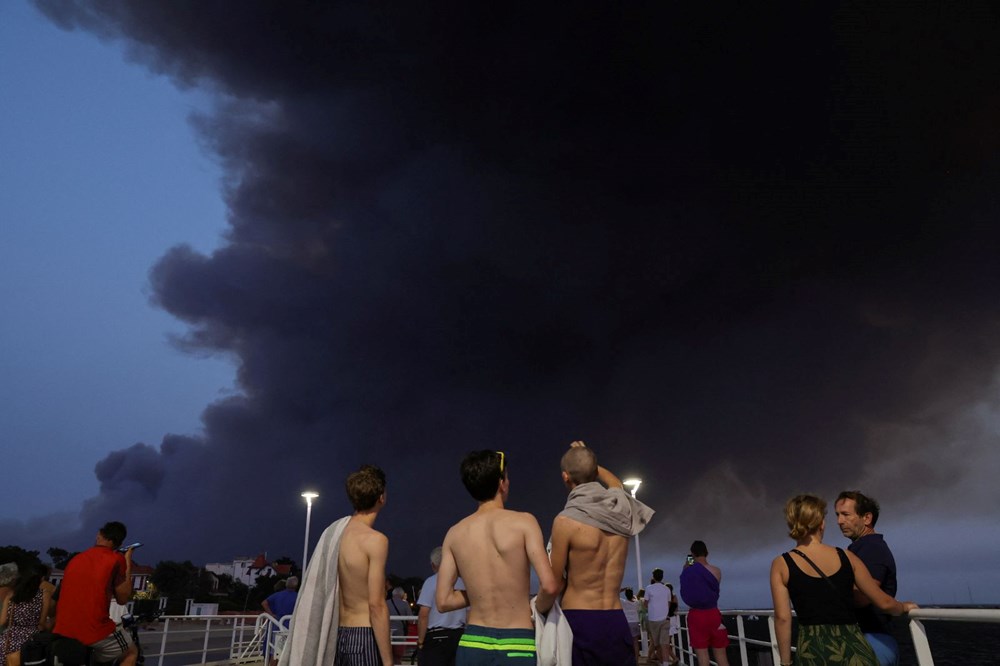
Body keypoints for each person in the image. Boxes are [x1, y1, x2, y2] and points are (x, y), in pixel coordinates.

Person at [536, 441, 654, 666]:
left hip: (579, 620)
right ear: (594, 471)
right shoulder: (621, 510)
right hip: (615, 619)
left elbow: (554, 583)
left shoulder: (565, 521)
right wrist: (588, 461)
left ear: (565, 477)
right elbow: (616, 484)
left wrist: (537, 610)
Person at [436, 450, 559, 665]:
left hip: (472, 643)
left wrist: (478, 592)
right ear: (502, 483)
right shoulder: (524, 523)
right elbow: (549, 586)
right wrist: (534, 607)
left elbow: (443, 601)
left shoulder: (455, 533)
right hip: (517, 641)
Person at [770, 494, 917, 666]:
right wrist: (903, 607)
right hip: (854, 650)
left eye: (844, 515)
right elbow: (883, 602)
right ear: (821, 523)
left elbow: (782, 618)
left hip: (813, 651)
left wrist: (785, 662)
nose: (839, 521)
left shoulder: (781, 564)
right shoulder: (846, 556)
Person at [279, 464, 393, 666]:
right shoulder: (376, 541)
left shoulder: (334, 533)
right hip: (364, 635)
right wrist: (388, 661)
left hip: (336, 636)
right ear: (381, 497)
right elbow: (376, 605)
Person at [52, 521, 138, 666]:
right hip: (93, 631)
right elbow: (123, 598)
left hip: (63, 629)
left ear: (100, 535)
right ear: (118, 542)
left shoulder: (76, 559)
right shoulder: (115, 559)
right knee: (131, 652)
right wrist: (127, 560)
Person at [836, 491, 900, 666]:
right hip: (865, 638)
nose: (839, 521)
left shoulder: (872, 548)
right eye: (838, 515)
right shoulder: (860, 549)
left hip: (871, 639)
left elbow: (864, 597)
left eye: (846, 514)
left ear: (867, 518)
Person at [679, 540, 729, 666]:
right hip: (714, 615)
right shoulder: (716, 571)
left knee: (702, 657)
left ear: (693, 554)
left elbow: (686, 573)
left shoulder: (688, 570)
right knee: (721, 656)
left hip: (696, 616)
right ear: (706, 553)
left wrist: (689, 562)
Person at [416, 547, 466, 666]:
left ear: (433, 565)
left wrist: (421, 640)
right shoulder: (462, 582)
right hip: (459, 635)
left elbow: (423, 614)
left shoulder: (431, 582)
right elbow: (469, 614)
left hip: (436, 637)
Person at [1, 562, 52, 666]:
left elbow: (2, 621)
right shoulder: (44, 595)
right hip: (29, 641)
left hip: (7, 639)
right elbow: (41, 624)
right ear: (42, 578)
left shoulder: (11, 594)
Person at [262, 577, 298, 666]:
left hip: (276, 625)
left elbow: (264, 603)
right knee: (283, 652)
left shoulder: (277, 595)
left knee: (274, 652)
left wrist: (271, 614)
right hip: (289, 627)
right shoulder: (298, 596)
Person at [644, 569, 672, 666]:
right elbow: (668, 604)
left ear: (653, 577)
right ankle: (665, 663)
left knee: (657, 644)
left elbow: (645, 604)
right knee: (664, 643)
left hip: (653, 619)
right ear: (662, 577)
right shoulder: (667, 589)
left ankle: (662, 662)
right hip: (665, 619)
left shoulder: (649, 588)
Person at [387, 586, 413, 662]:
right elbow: (411, 620)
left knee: (388, 657)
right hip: (400, 634)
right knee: (398, 657)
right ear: (402, 595)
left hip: (387, 633)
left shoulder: (386, 603)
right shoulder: (405, 604)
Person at [620, 588, 640, 664]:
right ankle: (637, 661)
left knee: (626, 642)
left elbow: (615, 594)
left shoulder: (623, 602)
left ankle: (627, 660)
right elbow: (637, 600)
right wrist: (635, 597)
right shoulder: (636, 603)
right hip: (635, 622)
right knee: (635, 642)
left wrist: (623, 589)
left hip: (626, 623)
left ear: (625, 595)